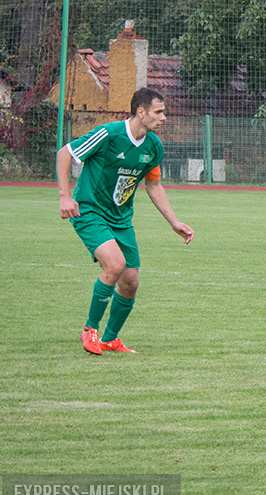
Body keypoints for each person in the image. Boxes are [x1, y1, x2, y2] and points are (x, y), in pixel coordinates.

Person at [57, 87, 194, 355]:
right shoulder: (109, 134)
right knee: (115, 264)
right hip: (90, 211)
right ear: (141, 112)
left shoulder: (153, 146)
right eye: (158, 112)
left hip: (121, 219)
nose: (164, 117)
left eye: (164, 112)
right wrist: (65, 196)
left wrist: (174, 222)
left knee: (130, 282)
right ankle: (90, 330)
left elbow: (153, 185)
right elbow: (65, 153)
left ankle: (110, 339)